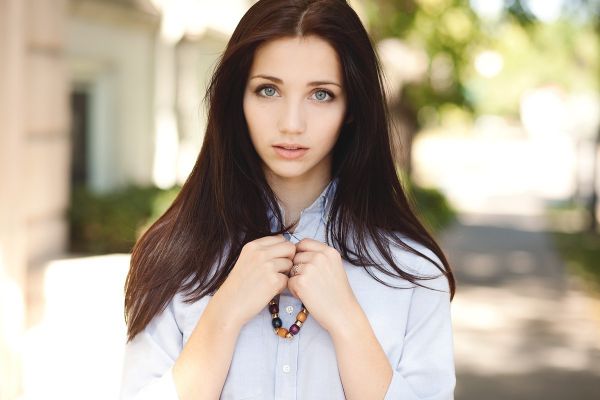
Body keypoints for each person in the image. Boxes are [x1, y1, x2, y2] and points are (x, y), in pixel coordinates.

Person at [120, 0, 456, 399]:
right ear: (236, 100)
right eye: (268, 90)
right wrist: (223, 314)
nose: (291, 123)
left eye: (321, 95)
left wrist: (348, 323)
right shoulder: (173, 255)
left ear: (352, 107)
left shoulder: (411, 271)